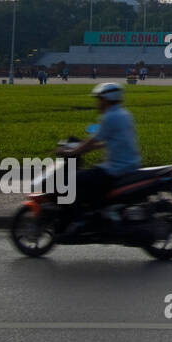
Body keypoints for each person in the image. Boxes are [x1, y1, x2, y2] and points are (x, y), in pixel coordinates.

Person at [58, 82, 142, 233]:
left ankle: (79, 220)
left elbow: (92, 141)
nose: (97, 102)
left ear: (106, 99)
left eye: (99, 99)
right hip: (129, 165)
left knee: (71, 182)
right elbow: (105, 141)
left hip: (115, 169)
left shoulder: (109, 117)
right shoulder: (124, 114)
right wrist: (81, 148)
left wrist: (71, 152)